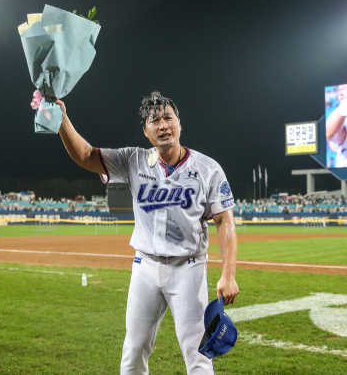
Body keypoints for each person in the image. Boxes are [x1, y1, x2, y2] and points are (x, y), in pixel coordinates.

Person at [54, 91, 239, 375]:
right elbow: (85, 155)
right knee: (134, 351)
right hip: (145, 267)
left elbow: (224, 221)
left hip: (188, 268)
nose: (163, 125)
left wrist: (228, 274)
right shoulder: (133, 160)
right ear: (146, 131)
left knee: (198, 352)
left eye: (168, 118)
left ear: (179, 124)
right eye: (155, 120)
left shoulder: (207, 168)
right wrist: (61, 118)